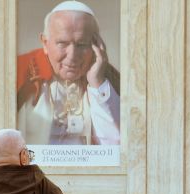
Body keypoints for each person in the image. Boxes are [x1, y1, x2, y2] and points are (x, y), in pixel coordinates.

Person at [17, 1, 120, 145]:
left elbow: (117, 146)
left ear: (96, 44)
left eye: (82, 44)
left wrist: (98, 84)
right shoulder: (19, 71)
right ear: (45, 43)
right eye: (62, 43)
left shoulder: (108, 77)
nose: (72, 56)